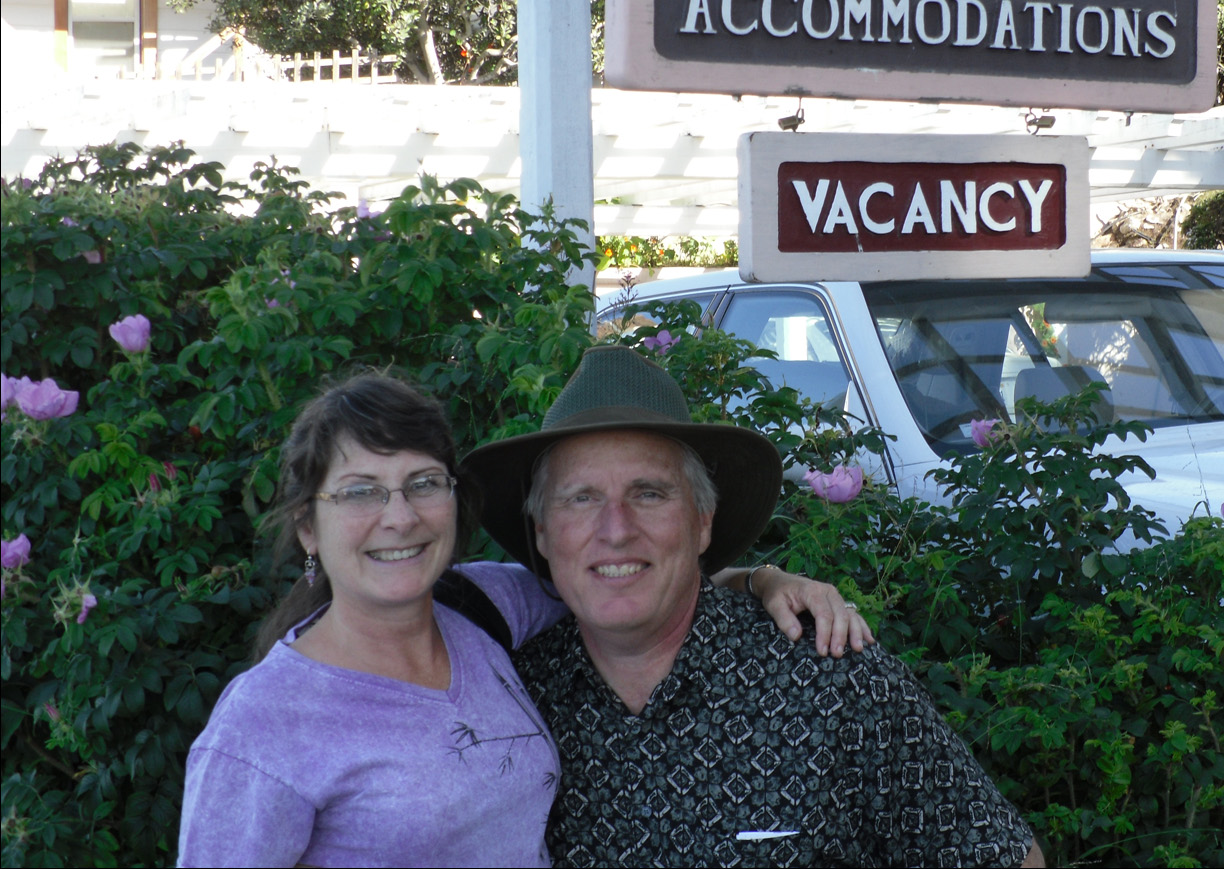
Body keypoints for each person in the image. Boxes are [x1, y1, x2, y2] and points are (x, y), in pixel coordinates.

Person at [177, 372, 870, 868]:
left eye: (423, 483)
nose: (399, 515)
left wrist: (762, 578)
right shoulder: (263, 726)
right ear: (308, 527)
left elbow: (627, 575)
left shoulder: (486, 608)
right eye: (360, 491)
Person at [465, 345, 1045, 868]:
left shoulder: (834, 677)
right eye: (581, 498)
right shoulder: (505, 701)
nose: (615, 531)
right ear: (542, 533)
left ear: (702, 521)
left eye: (649, 493)